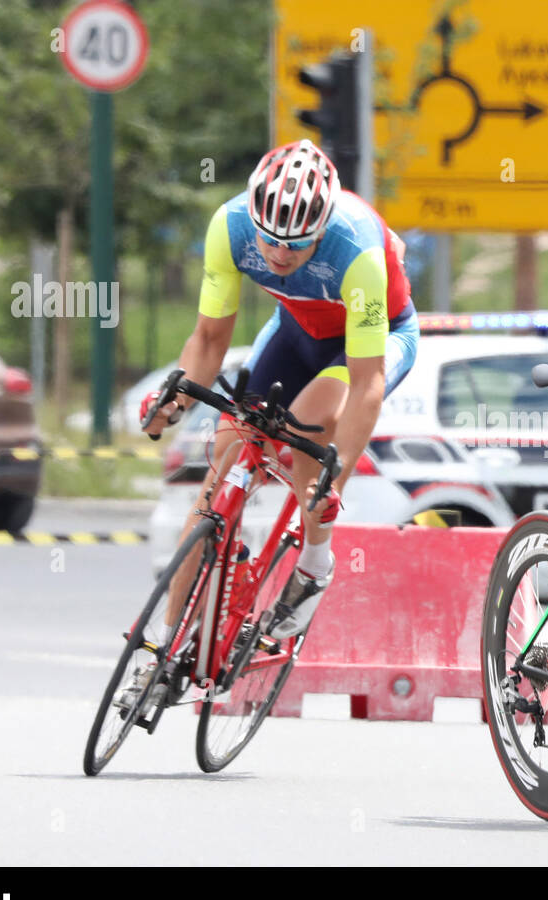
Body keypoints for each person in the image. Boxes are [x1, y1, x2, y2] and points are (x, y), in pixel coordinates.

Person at [142, 139, 419, 640]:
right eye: (269, 240)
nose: (277, 253)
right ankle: (165, 646)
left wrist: (337, 481)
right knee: (219, 471)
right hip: (295, 332)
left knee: (307, 419)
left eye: (295, 244)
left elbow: (366, 384)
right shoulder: (230, 228)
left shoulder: (356, 248)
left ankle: (314, 564)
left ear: (321, 229)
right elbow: (207, 341)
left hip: (373, 342)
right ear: (254, 218)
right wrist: (175, 402)